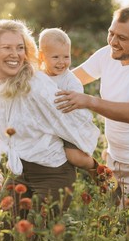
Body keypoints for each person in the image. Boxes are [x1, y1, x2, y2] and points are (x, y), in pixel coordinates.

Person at [0, 19, 100, 216]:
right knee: (0, 233)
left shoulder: (36, 85)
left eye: (20, 47)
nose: (15, 54)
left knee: (37, 232)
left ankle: (102, 173)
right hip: (19, 170)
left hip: (52, 172)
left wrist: (86, 161)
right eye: (6, 47)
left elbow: (72, 120)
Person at [55, 6, 129, 198]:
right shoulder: (106, 55)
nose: (113, 42)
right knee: (113, 219)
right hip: (114, 157)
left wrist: (89, 101)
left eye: (122, 38)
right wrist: (34, 81)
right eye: (111, 33)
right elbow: (70, 81)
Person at [38, 28, 99, 174]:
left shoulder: (71, 81)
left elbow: (73, 109)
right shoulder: (38, 75)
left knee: (75, 158)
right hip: (47, 123)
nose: (62, 62)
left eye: (66, 56)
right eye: (55, 57)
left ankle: (98, 170)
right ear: (41, 56)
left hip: (68, 125)